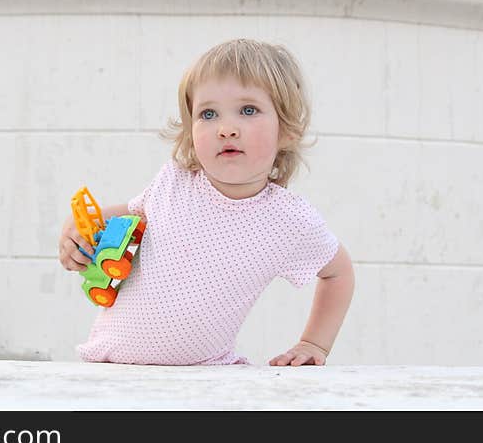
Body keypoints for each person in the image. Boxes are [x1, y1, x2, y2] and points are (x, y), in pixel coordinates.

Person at [58, 38, 355, 366]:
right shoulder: (175, 180)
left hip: (207, 379)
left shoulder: (287, 218)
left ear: (286, 130)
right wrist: (82, 227)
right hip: (110, 369)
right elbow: (133, 213)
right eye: (208, 113)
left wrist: (314, 344)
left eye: (248, 110)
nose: (226, 129)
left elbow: (338, 273)